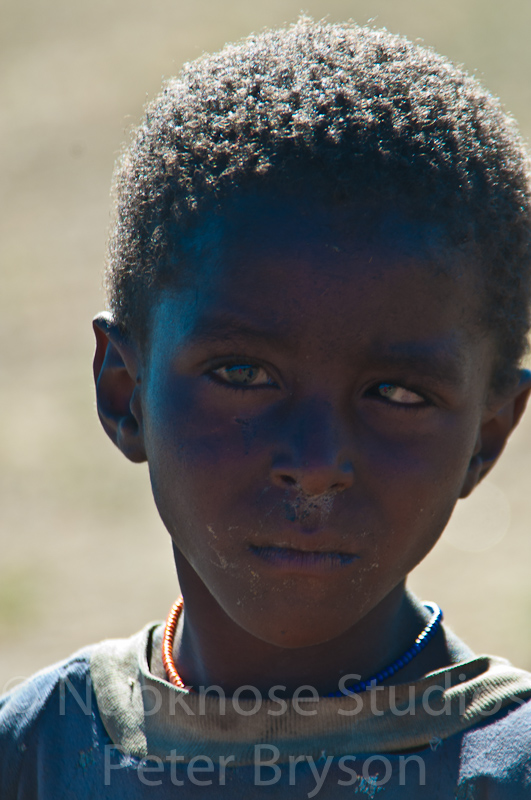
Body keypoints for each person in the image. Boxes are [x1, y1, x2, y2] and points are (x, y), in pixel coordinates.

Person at [1, 17, 531, 798]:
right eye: (243, 373)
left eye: (395, 393)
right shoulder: (37, 751)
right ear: (124, 393)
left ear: (487, 435)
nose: (314, 465)